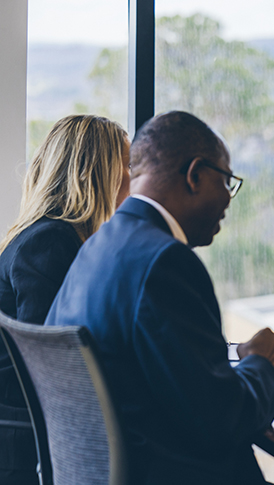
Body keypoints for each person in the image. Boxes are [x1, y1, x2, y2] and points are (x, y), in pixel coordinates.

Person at [45, 111, 274, 484]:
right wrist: (261, 364)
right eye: (227, 181)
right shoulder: (165, 262)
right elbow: (219, 423)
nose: (228, 199)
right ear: (194, 175)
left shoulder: (97, 247)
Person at [0, 114, 130, 485]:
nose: (134, 179)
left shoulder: (43, 234)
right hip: (23, 451)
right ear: (97, 172)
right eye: (128, 165)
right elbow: (55, 366)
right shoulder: (50, 242)